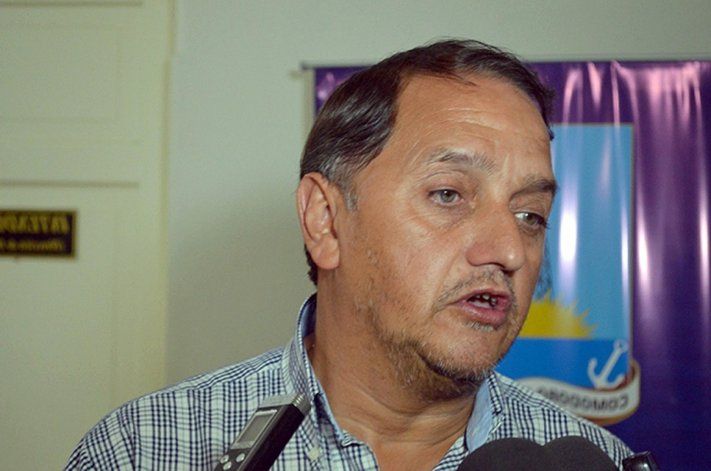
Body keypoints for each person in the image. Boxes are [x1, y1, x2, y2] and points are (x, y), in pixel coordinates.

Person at [66, 39, 632, 470]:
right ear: (325, 220)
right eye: (448, 195)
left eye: (530, 215)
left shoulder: (598, 460)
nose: (509, 250)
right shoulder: (144, 449)